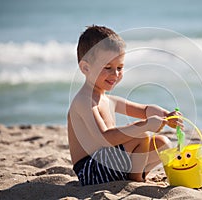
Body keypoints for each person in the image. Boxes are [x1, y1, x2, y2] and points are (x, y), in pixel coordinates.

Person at [67, 25, 182, 186]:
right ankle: (136, 179)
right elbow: (105, 138)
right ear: (86, 68)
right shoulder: (84, 101)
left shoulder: (108, 100)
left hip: (108, 162)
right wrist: (144, 125)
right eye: (108, 68)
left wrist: (165, 116)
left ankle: (134, 175)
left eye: (119, 68)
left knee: (163, 143)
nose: (115, 74)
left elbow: (144, 110)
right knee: (141, 134)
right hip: (91, 171)